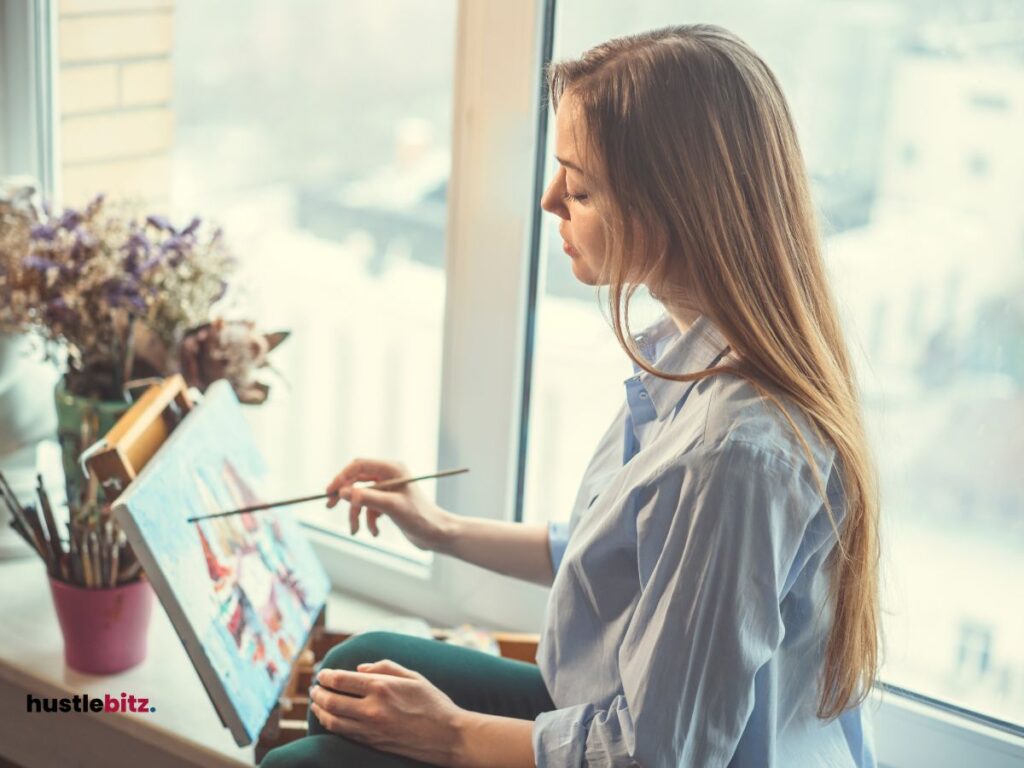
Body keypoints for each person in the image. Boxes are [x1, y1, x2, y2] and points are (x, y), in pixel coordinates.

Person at [260, 23, 881, 768]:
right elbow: (614, 557)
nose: (552, 199)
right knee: (353, 668)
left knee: (302, 764)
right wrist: (440, 528)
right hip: (610, 712)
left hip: (644, 751)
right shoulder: (682, 354)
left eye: (580, 185)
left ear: (672, 206)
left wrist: (449, 733)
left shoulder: (734, 453)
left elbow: (656, 754)